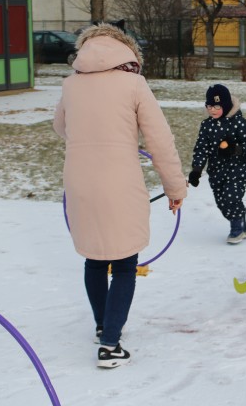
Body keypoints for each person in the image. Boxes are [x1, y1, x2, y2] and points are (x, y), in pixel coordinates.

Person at [53, 23, 187, 368]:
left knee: (95, 258)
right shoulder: (134, 84)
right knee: (125, 263)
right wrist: (175, 188)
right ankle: (110, 343)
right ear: (127, 52)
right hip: (119, 182)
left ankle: (103, 325)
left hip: (80, 182)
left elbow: (60, 127)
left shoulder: (71, 84)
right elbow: (160, 140)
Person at [188, 83, 246, 244]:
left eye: (217, 106)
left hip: (239, 169)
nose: (212, 110)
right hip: (216, 171)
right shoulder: (207, 125)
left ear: (226, 106)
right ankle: (241, 222)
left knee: (231, 197)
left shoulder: (239, 123)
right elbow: (201, 148)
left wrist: (236, 149)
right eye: (209, 106)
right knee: (222, 202)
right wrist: (197, 170)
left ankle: (237, 230)